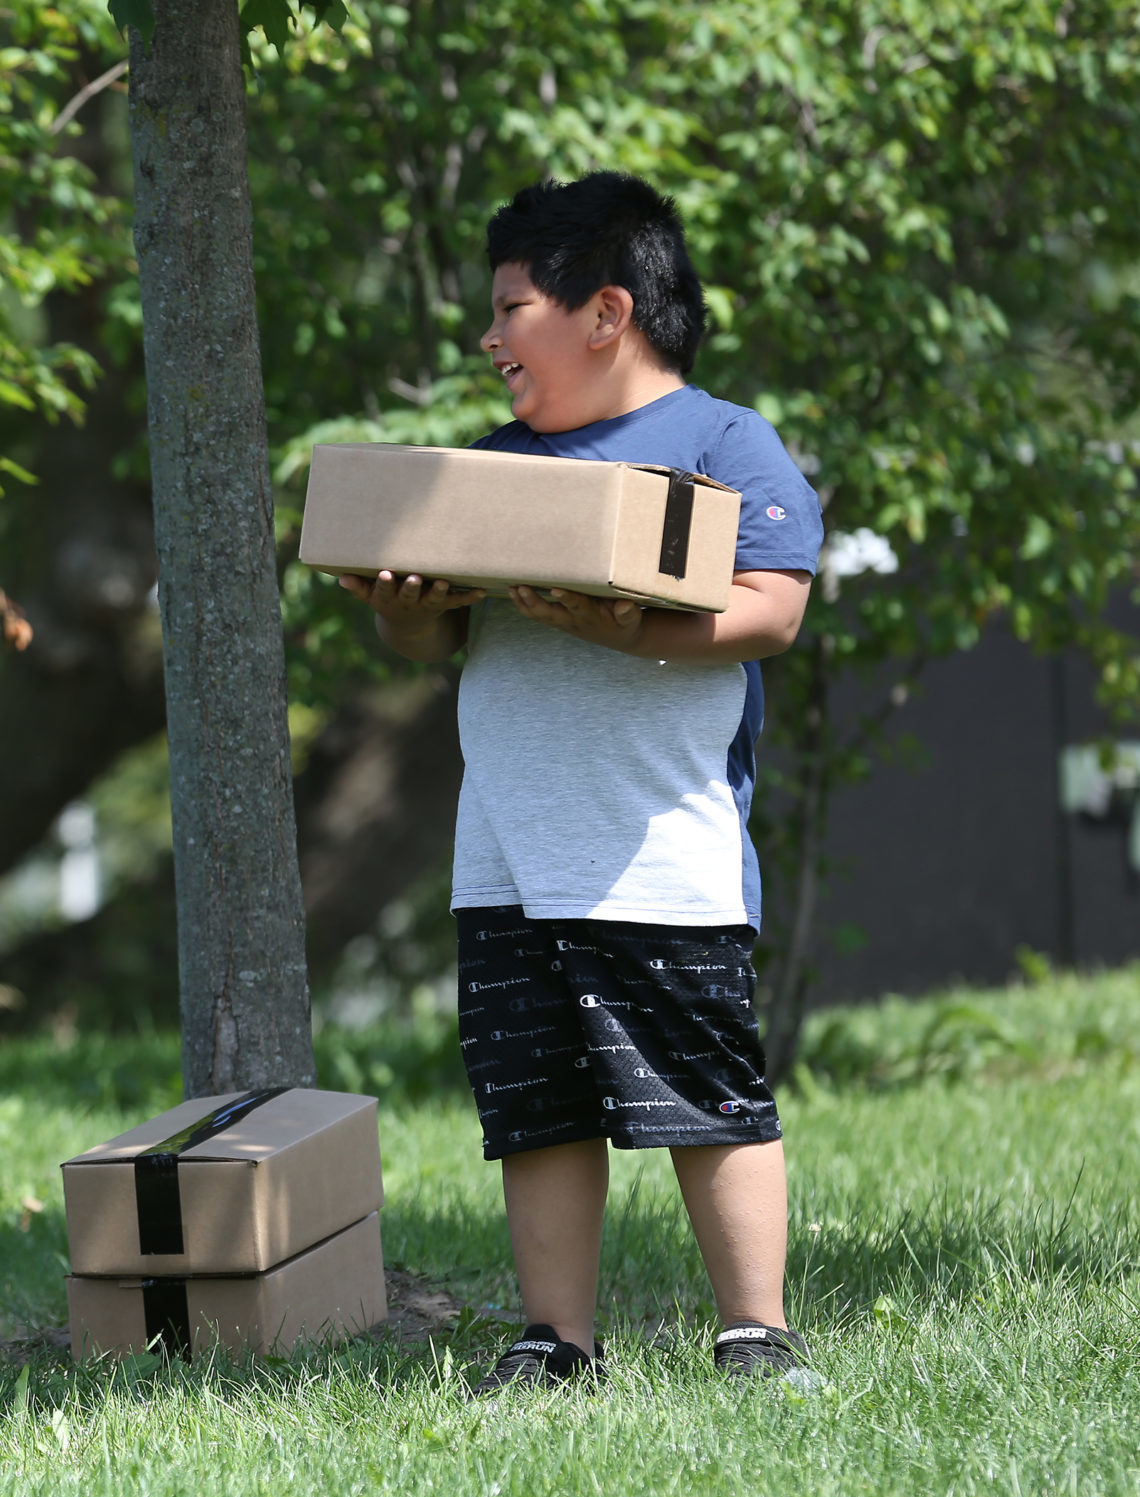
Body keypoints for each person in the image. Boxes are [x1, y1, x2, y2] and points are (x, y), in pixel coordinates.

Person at [342, 173, 824, 1390]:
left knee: (704, 1095)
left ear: (606, 313)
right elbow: (433, 646)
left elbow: (770, 611)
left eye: (511, 309)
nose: (489, 337)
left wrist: (625, 633)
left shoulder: (721, 442)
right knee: (537, 1107)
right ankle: (554, 1342)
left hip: (659, 845)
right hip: (503, 847)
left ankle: (754, 1334)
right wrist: (402, 612)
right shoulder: (493, 469)